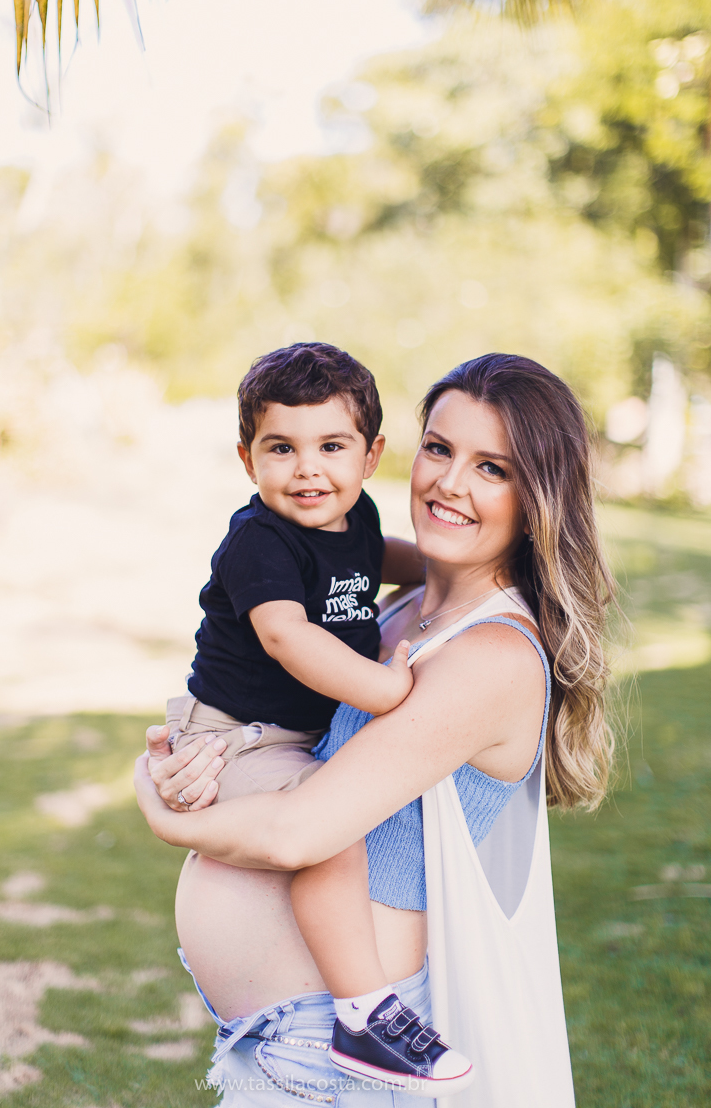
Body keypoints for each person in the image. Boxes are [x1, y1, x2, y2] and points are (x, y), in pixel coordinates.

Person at [135, 353, 617, 1108]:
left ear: (538, 498)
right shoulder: (396, 610)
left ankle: (369, 1016)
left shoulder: (492, 655)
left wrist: (163, 816)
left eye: (492, 468)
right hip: (285, 1043)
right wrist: (183, 762)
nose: (450, 483)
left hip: (331, 1057)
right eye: (440, 449)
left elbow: (300, 832)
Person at [147, 342, 472, 1093]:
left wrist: (449, 568)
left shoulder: (355, 517)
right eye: (280, 449)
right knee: (327, 829)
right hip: (237, 736)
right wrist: (382, 690)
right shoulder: (258, 542)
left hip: (283, 733)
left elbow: (378, 559)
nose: (308, 470)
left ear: (371, 455)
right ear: (246, 459)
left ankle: (363, 1010)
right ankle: (363, 1015)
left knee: (331, 818)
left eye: (331, 446)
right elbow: (285, 636)